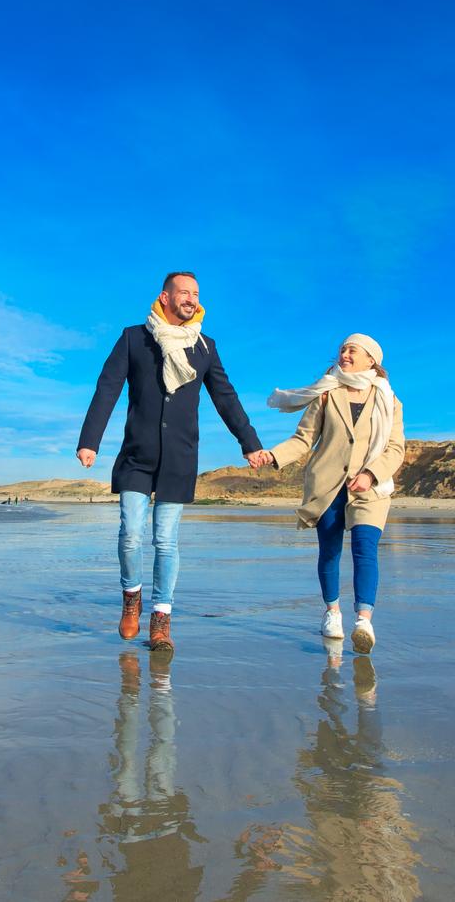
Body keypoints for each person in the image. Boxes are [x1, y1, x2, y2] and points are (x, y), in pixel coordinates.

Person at [78, 272, 268, 653]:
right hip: (137, 454)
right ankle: (132, 597)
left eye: (196, 294)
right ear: (165, 297)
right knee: (131, 533)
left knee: (166, 541)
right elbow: (108, 388)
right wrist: (89, 442)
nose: (192, 299)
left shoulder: (205, 347)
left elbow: (225, 397)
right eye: (184, 292)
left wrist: (249, 443)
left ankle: (161, 619)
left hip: (179, 456)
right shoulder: (135, 338)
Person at [257, 334, 405, 654]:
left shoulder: (389, 400)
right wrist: (274, 456)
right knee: (330, 550)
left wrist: (370, 474)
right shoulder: (326, 394)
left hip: (370, 487)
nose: (345, 354)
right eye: (343, 349)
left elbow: (395, 449)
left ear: (371, 360)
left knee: (366, 547)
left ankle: (364, 621)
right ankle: (332, 612)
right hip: (328, 484)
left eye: (352, 350)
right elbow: (303, 439)